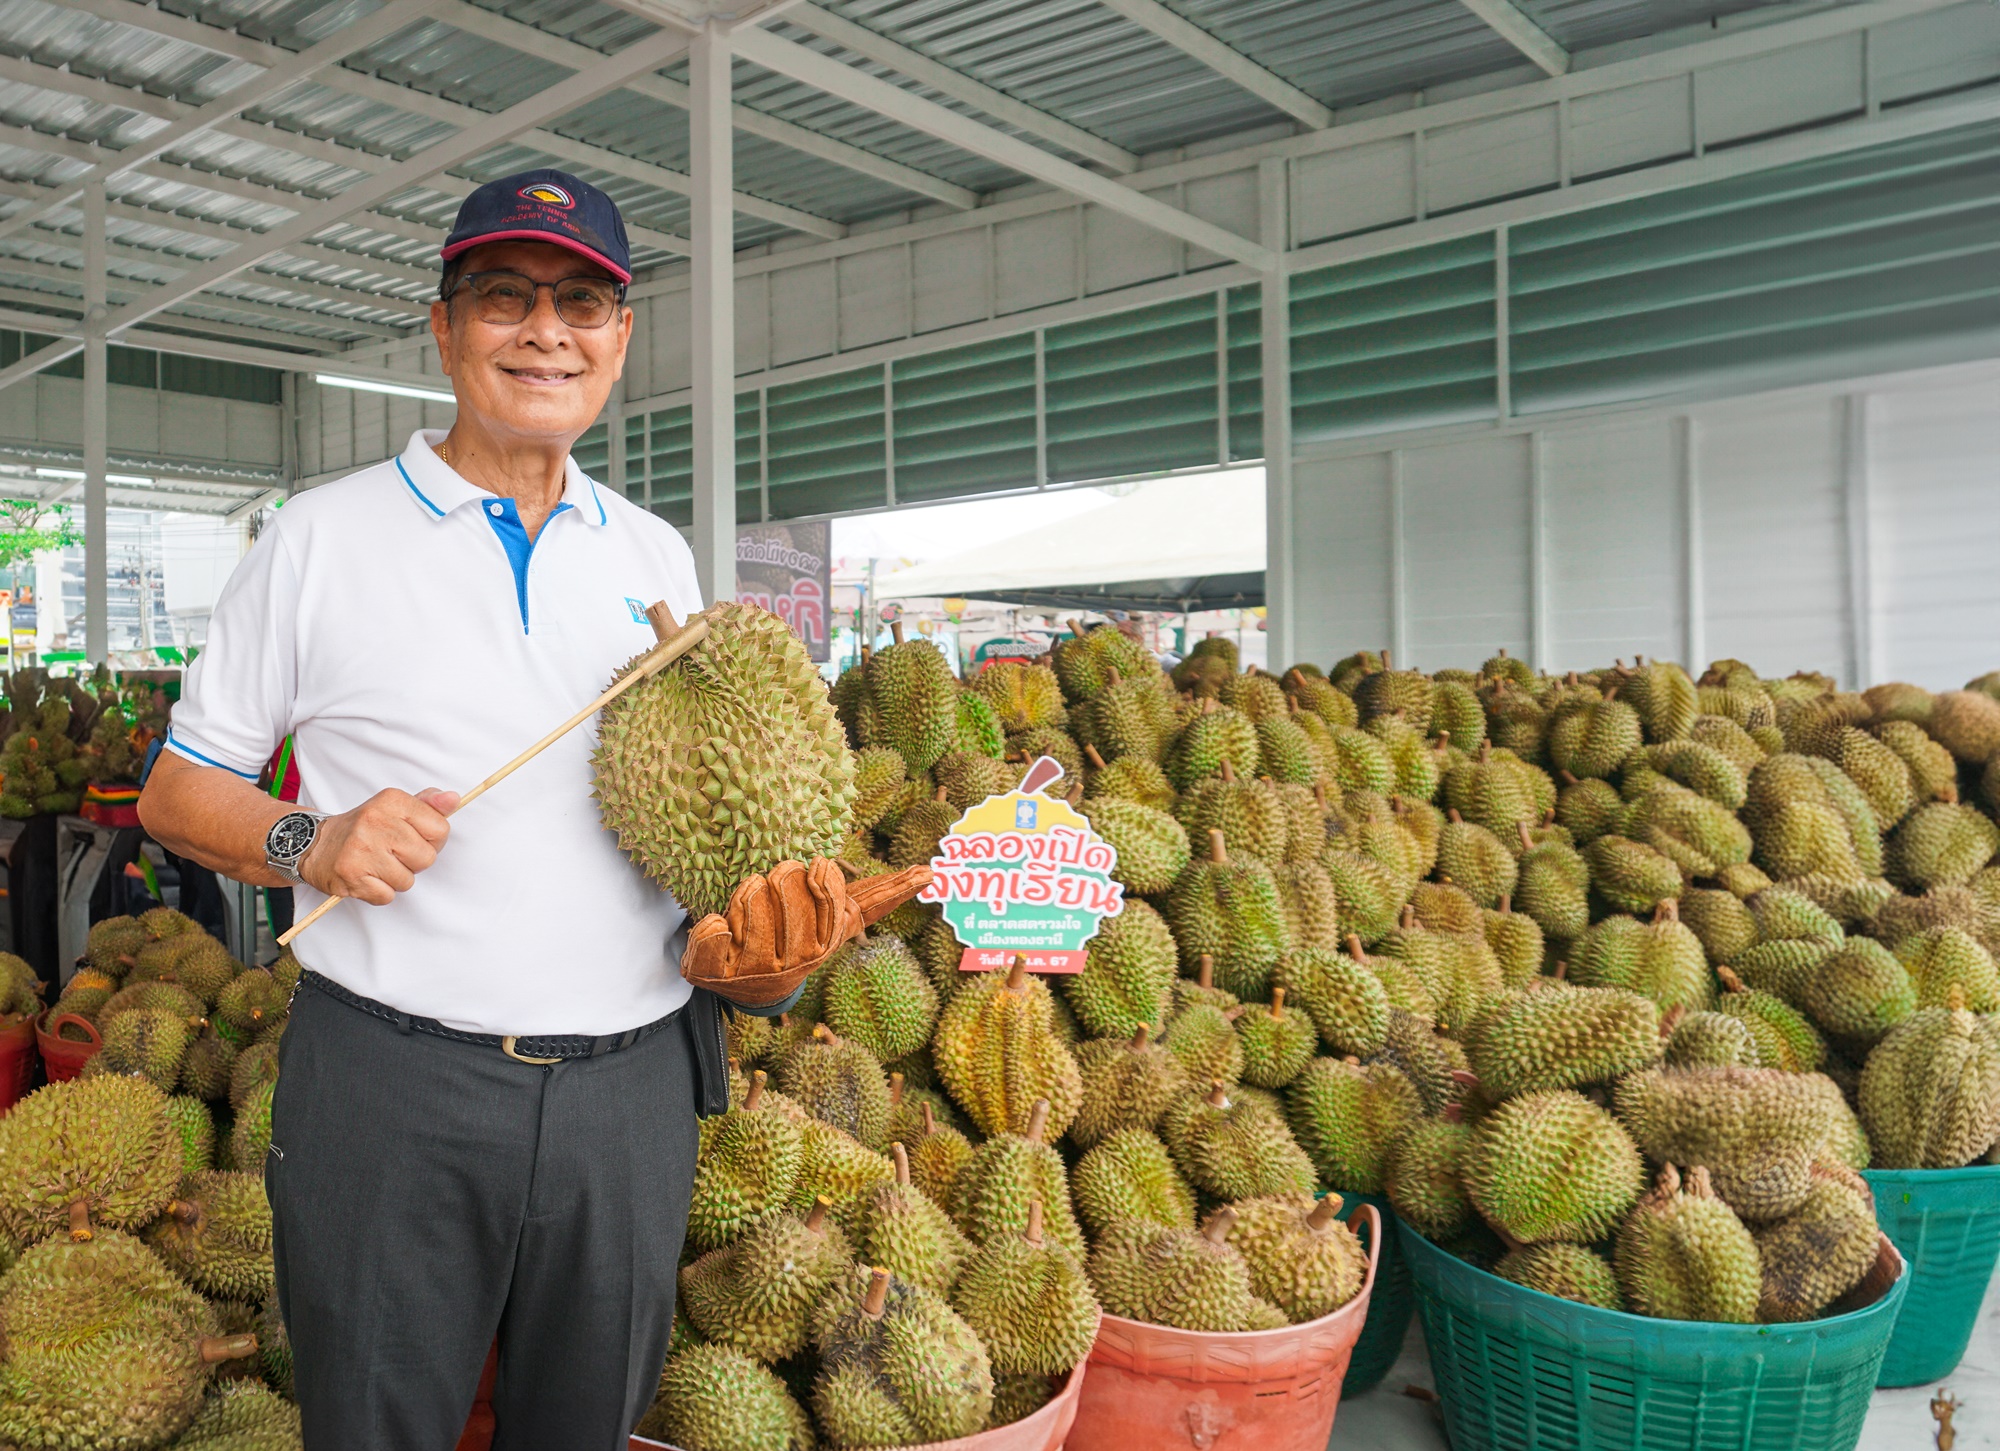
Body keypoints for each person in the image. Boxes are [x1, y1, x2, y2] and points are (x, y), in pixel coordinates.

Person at [138, 169, 914, 1449]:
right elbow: (175, 787)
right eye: (504, 297)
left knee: (582, 1425)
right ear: (443, 330)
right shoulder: (318, 539)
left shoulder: (653, 555)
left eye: (582, 303)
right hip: (393, 1085)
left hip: (634, 1094)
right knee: (376, 1423)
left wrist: (763, 955)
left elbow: (713, 828)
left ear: (618, 342)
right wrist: (311, 840)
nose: (545, 330)